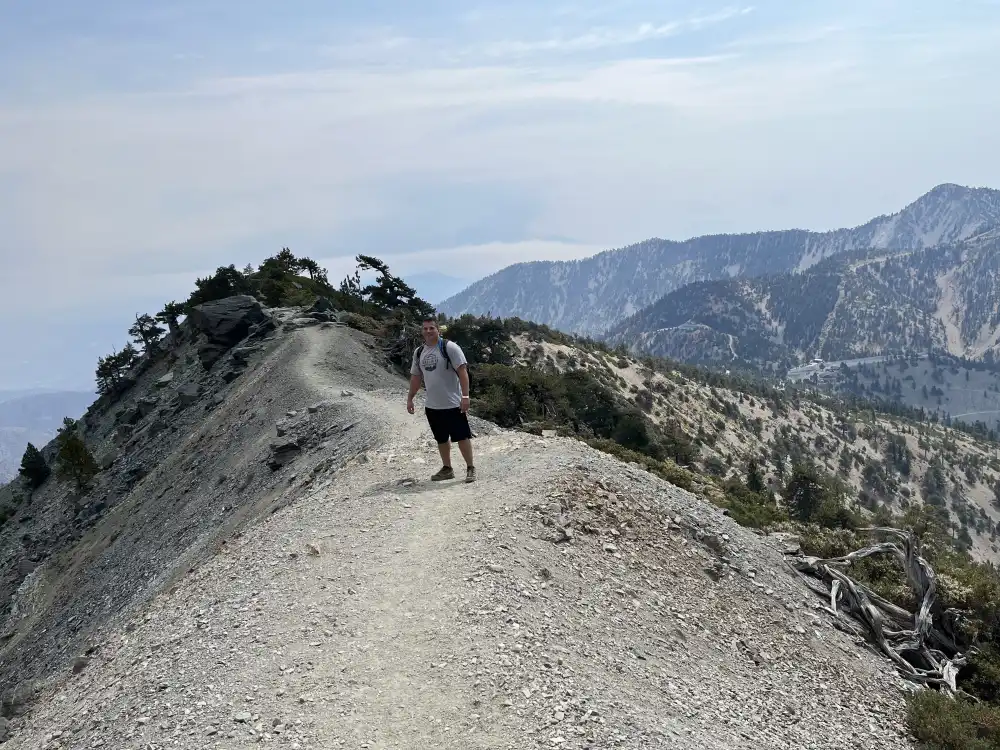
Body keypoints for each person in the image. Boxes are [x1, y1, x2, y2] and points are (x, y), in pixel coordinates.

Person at [407, 317, 476, 483]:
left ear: (438, 329)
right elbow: (416, 377)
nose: (428, 331)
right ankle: (447, 469)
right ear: (422, 331)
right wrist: (410, 398)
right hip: (432, 405)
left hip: (453, 403)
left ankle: (470, 467)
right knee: (441, 439)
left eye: (432, 328)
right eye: (425, 329)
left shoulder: (449, 347)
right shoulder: (419, 352)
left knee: (462, 437)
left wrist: (465, 396)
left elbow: (463, 372)